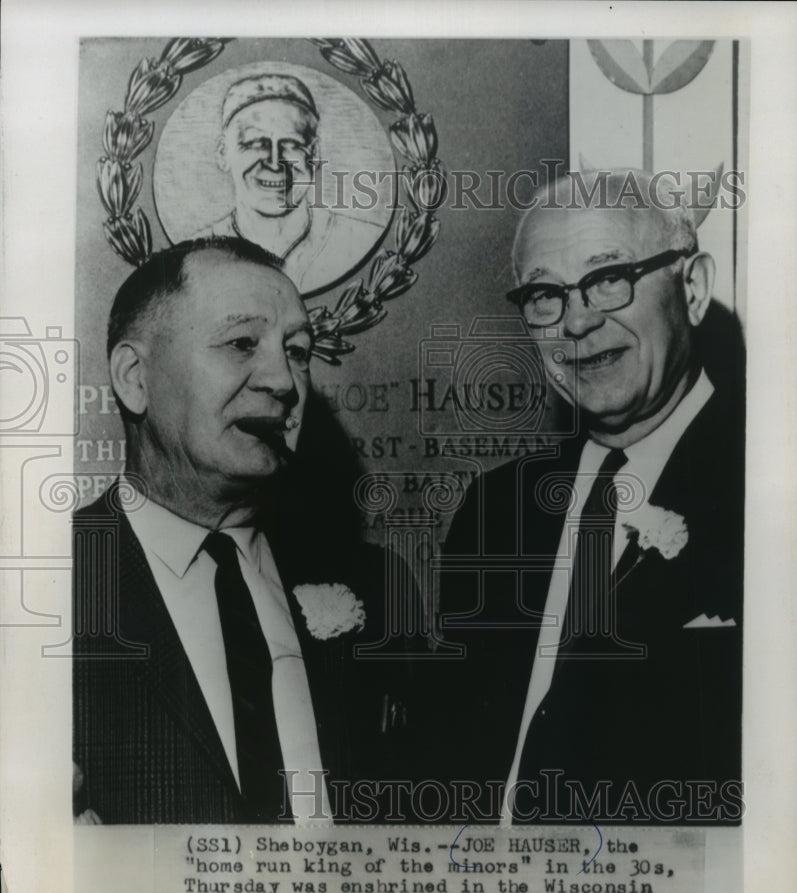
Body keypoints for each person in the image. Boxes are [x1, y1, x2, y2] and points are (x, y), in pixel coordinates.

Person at [438, 170, 744, 824]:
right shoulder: (497, 510)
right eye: (545, 294)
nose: (577, 320)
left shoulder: (765, 491)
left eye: (610, 278)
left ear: (690, 288)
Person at [73, 237, 412, 825]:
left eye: (299, 351)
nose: (283, 381)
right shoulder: (41, 591)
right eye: (241, 343)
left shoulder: (376, 586)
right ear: (134, 378)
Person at [195, 74, 383, 295]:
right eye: (256, 143)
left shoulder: (359, 240)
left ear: (314, 154)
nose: (276, 163)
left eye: (292, 144)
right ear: (223, 154)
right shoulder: (194, 255)